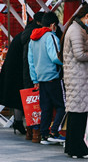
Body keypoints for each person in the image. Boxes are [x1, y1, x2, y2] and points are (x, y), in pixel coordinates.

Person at [28, 11, 66, 145]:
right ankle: (54, 132)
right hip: (53, 77)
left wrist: (35, 80)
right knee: (63, 106)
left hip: (41, 79)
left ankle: (44, 135)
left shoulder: (33, 39)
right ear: (53, 24)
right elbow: (56, 56)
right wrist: (67, 62)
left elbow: (31, 61)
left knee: (46, 108)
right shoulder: (51, 37)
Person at [62, 3, 88, 159]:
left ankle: (72, 147)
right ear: (86, 16)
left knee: (75, 113)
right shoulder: (77, 30)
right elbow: (79, 55)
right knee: (79, 114)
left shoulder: (76, 28)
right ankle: (77, 148)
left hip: (76, 77)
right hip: (78, 77)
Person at [21, 11, 45, 142]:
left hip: (27, 72)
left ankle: (30, 132)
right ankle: (36, 133)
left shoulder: (27, 33)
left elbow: (29, 58)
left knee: (30, 103)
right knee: (38, 103)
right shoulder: (39, 34)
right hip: (38, 72)